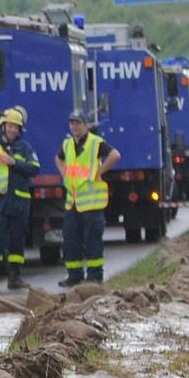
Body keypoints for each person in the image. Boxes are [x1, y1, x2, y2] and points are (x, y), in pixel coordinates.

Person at [0, 106, 40, 290]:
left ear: (19, 130)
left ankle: (15, 278)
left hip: (19, 203)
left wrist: (15, 162)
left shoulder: (24, 147)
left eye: (16, 127)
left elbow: (35, 168)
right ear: (2, 127)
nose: (12, 130)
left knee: (17, 241)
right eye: (9, 126)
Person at [56, 109, 120, 287]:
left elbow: (115, 155)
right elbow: (58, 158)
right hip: (73, 203)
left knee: (93, 241)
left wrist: (99, 172)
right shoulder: (68, 144)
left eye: (78, 123)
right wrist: (63, 173)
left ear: (86, 125)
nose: (74, 126)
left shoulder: (95, 142)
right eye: (72, 123)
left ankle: (94, 277)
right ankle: (74, 275)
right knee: (70, 240)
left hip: (91, 203)